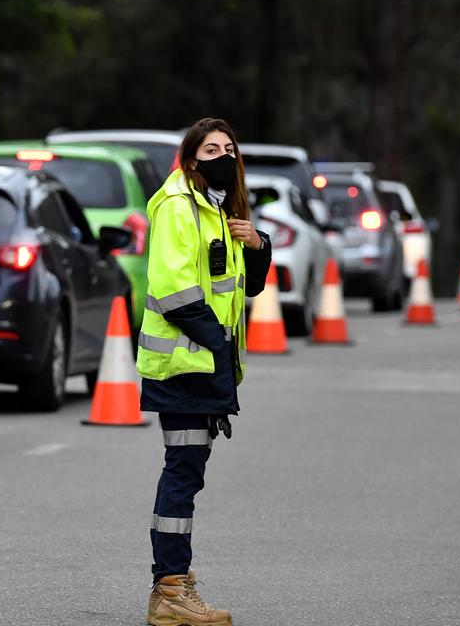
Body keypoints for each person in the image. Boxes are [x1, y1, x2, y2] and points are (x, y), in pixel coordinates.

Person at [135, 118, 272, 626]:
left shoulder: (217, 211)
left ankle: (174, 583)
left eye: (230, 148)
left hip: (202, 363)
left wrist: (257, 245)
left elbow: (245, 289)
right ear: (190, 160)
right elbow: (175, 294)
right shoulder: (177, 208)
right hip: (184, 364)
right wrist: (216, 348)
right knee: (183, 473)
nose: (223, 155)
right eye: (211, 148)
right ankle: (170, 590)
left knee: (187, 473)